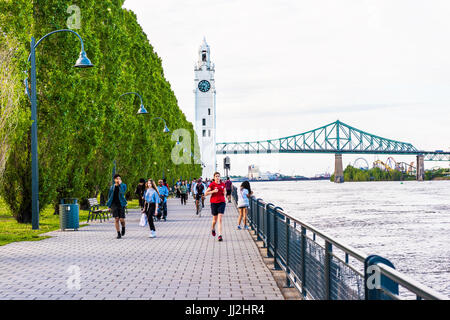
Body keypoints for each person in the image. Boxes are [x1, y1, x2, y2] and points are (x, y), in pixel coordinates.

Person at [205, 172, 227, 242]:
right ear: (214, 177)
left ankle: (220, 235)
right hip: (214, 203)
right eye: (216, 176)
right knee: (214, 220)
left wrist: (225, 193)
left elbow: (225, 192)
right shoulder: (212, 184)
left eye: (218, 176)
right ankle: (213, 228)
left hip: (222, 202)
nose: (218, 178)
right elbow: (205, 193)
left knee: (220, 219)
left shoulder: (223, 184)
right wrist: (213, 191)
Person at [107, 174, 128, 239]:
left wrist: (120, 185)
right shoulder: (112, 187)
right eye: (117, 179)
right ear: (114, 180)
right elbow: (109, 196)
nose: (118, 180)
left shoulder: (124, 185)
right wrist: (109, 206)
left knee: (122, 219)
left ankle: (123, 228)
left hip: (121, 204)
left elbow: (122, 192)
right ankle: (118, 233)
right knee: (116, 219)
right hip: (114, 204)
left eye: (119, 178)